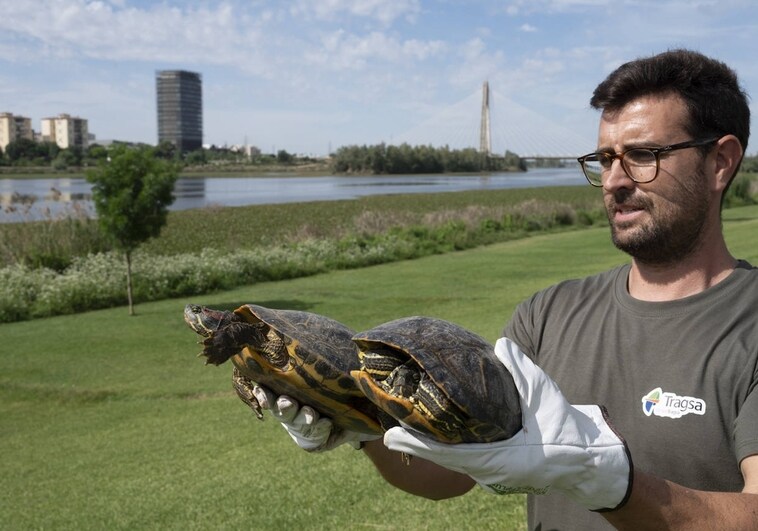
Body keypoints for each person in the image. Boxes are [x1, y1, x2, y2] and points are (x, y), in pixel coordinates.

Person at [251, 49, 758, 530]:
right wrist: (364, 426)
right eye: (604, 159)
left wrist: (611, 485)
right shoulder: (548, 315)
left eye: (643, 155)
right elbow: (451, 473)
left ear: (720, 162)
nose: (614, 182)